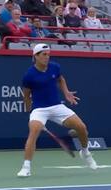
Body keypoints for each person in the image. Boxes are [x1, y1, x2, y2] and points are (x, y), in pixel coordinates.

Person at [17, 43, 98, 177]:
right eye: (44, 55)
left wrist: (66, 93)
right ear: (35, 56)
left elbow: (61, 79)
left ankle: (85, 152)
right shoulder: (29, 75)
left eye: (48, 54)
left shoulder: (55, 67)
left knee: (81, 127)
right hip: (39, 110)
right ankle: (26, 167)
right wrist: (29, 110)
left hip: (57, 107)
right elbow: (26, 94)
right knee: (33, 133)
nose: (47, 57)